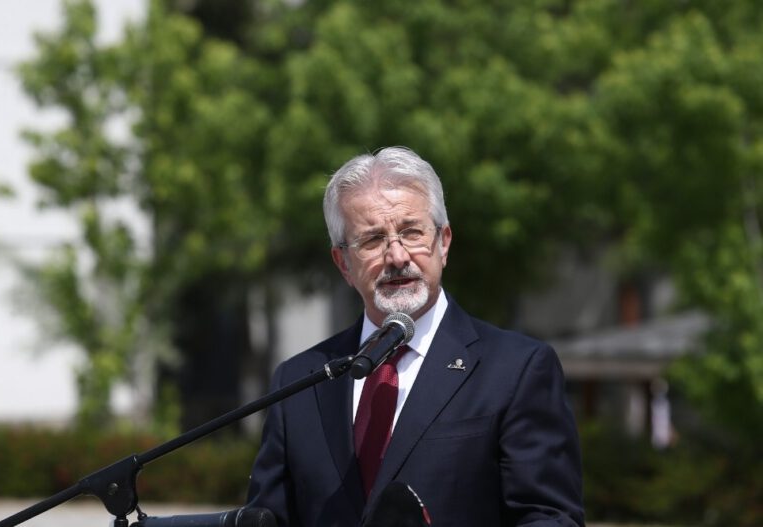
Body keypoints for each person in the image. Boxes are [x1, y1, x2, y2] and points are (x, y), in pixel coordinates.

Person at [246, 146, 585, 526]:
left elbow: (549, 518)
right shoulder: (298, 382)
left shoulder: (516, 370)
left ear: (444, 242)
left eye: (411, 233)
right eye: (372, 240)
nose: (397, 256)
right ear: (343, 263)